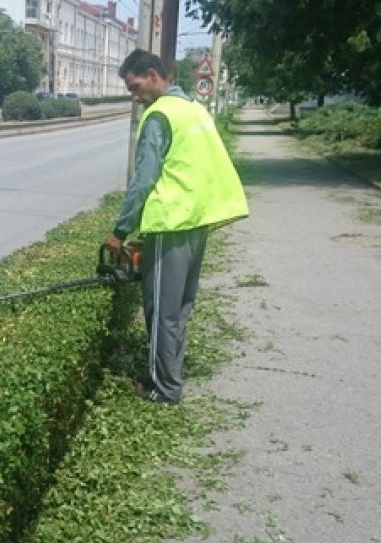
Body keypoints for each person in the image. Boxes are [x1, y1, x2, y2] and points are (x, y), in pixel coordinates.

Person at [105, 49, 249, 405]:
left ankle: (164, 389)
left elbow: (143, 181)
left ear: (153, 75)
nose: (134, 97)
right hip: (195, 222)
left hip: (170, 225)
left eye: (135, 87)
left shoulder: (159, 117)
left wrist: (119, 231)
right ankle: (168, 374)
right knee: (179, 308)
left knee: (161, 313)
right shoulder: (192, 109)